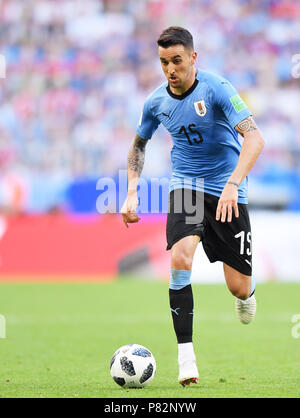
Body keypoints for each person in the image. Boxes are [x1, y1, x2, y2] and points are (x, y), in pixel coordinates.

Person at [121, 26, 264, 386]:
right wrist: (131, 191)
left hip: (227, 192)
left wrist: (233, 184)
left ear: (193, 58)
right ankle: (187, 359)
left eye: (177, 61)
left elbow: (255, 137)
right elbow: (139, 145)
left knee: (238, 287)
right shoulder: (155, 102)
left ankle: (249, 290)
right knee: (181, 257)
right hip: (185, 187)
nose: (171, 69)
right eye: (164, 62)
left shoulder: (218, 89)